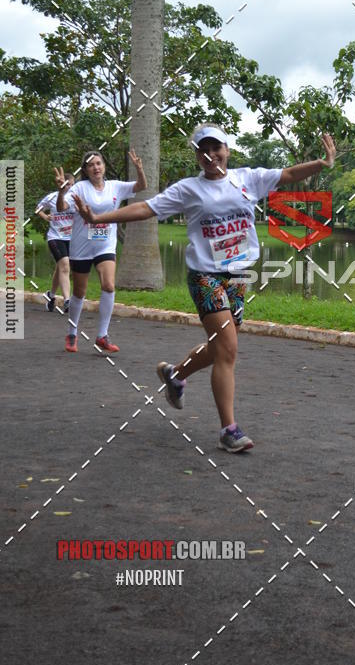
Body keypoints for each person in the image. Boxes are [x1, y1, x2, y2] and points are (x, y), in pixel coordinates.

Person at [73, 124, 336, 452]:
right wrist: (99, 218)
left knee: (220, 347)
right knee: (228, 349)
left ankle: (175, 375)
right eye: (203, 150)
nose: (211, 155)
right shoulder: (189, 189)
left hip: (237, 275)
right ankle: (229, 430)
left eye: (216, 148)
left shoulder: (248, 179)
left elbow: (288, 174)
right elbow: (145, 208)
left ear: (227, 150)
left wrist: (322, 164)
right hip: (205, 276)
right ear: (197, 156)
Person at [54, 149, 147, 353]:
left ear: (103, 166)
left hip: (105, 244)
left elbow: (141, 186)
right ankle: (72, 333)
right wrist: (61, 192)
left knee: (109, 285)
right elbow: (61, 207)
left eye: (98, 163)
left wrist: (139, 169)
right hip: (82, 246)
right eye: (91, 165)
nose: (96, 167)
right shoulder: (80, 188)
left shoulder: (115, 186)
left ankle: (102, 336)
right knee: (79, 292)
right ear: (86, 170)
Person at [36, 173, 75, 312]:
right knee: (65, 266)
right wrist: (45, 217)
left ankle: (50, 295)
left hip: (71, 238)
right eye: (67, 184)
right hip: (55, 237)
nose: (69, 187)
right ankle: (67, 301)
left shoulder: (75, 199)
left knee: (61, 268)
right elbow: (38, 209)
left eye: (71, 185)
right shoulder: (52, 197)